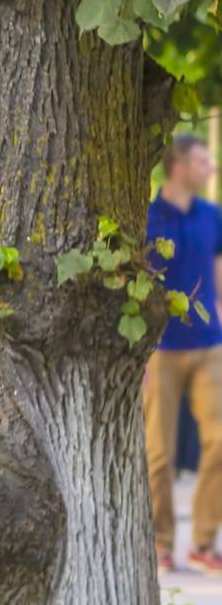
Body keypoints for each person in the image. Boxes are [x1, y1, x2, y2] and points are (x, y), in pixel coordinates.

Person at [146, 133, 222, 574]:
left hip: (210, 345)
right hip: (162, 349)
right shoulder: (148, 217)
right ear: (178, 167)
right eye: (201, 162)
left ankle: (204, 543)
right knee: (159, 453)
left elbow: (217, 271)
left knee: (218, 442)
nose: (209, 169)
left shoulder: (212, 216)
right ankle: (160, 543)